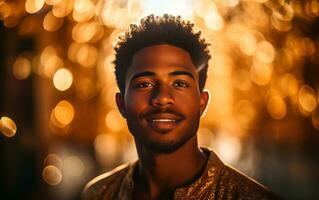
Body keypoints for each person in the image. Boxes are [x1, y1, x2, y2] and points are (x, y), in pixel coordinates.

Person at [82, 14, 280, 200]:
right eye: (144, 84)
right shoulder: (99, 194)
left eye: (180, 84)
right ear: (121, 104)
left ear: (202, 103)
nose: (162, 98)